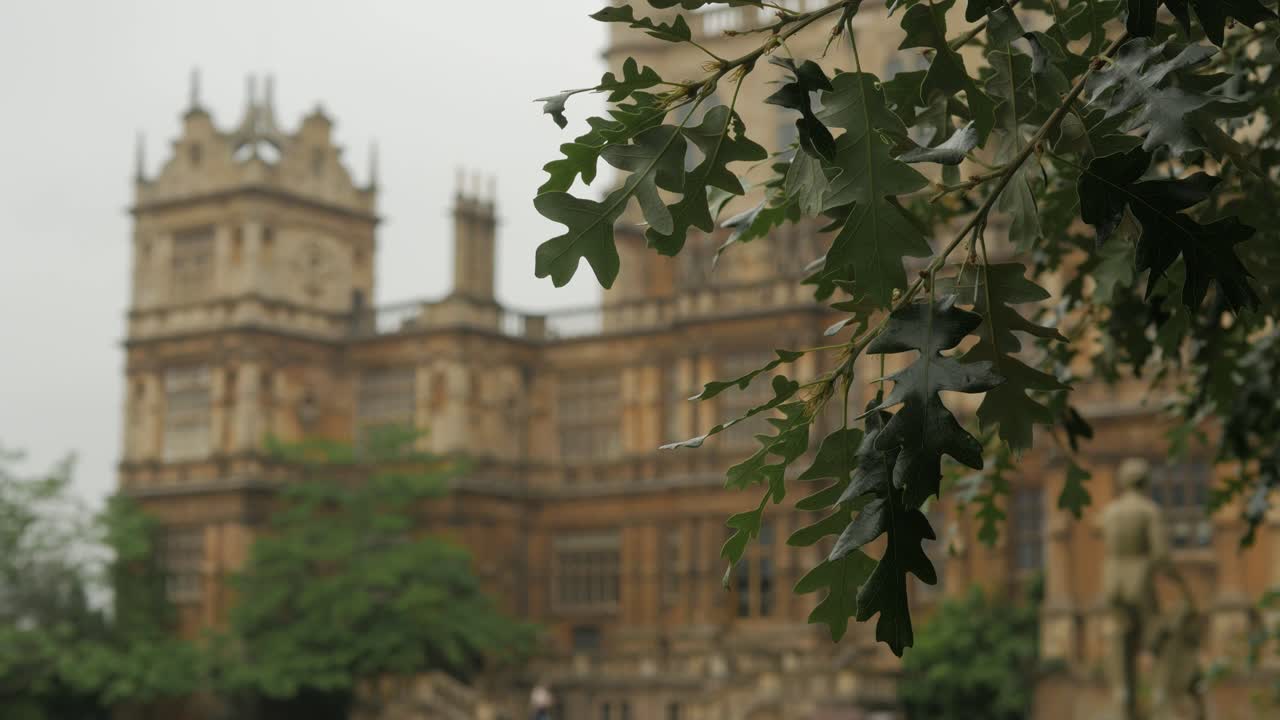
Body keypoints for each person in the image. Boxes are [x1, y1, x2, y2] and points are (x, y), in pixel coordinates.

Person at [1100, 458, 1169, 720]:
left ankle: (1122, 696)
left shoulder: (1110, 512)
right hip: (1139, 578)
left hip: (1112, 580)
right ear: (1145, 482)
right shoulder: (1149, 511)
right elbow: (1160, 554)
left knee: (1121, 639)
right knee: (1157, 639)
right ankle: (1159, 699)